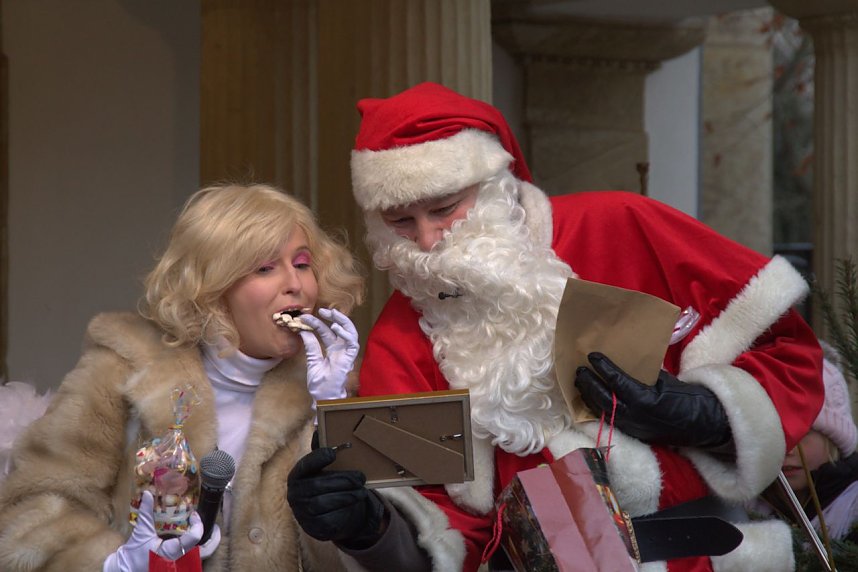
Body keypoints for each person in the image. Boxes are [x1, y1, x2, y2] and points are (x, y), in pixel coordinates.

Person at [287, 82, 825, 571]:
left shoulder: (621, 225)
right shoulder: (400, 340)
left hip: (702, 556)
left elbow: (789, 352)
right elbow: (443, 527)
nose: (428, 242)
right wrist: (368, 527)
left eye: (445, 209)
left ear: (495, 182)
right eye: (401, 222)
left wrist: (700, 413)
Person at [0, 183, 363, 571]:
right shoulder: (122, 367)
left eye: (303, 263)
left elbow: (354, 550)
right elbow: (31, 513)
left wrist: (329, 412)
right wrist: (117, 565)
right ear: (214, 288)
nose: (295, 284)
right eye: (265, 268)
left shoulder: (331, 387)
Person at [753, 344, 858, 569]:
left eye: (802, 433)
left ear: (833, 439)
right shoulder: (749, 507)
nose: (788, 449)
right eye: (777, 433)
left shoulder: (853, 506)